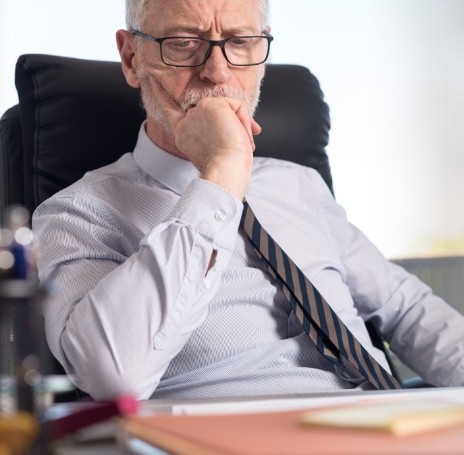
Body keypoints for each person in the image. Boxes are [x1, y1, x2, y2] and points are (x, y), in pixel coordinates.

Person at [33, 0, 464, 401]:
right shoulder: (77, 213)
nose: (217, 73)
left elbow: (409, 311)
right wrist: (220, 176)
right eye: (184, 44)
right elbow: (113, 376)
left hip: (383, 424)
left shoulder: (300, 185)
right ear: (131, 59)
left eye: (240, 42)